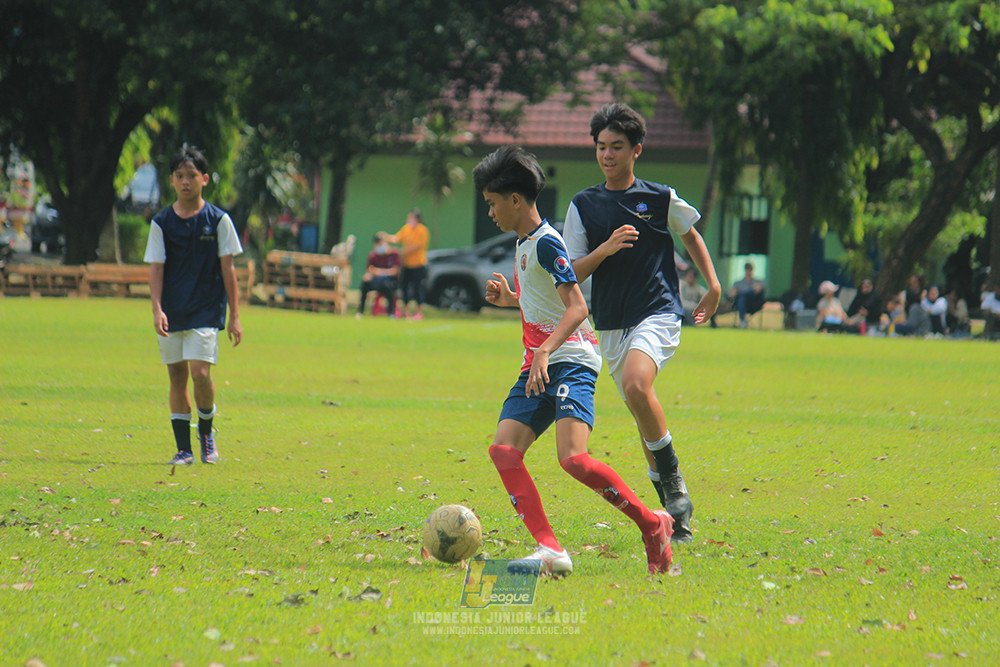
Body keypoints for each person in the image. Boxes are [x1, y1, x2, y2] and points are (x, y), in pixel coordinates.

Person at [473, 145, 673, 577]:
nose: (489, 213)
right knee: (504, 451)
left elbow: (577, 307)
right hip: (540, 363)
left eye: (492, 204)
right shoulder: (524, 243)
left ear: (515, 200)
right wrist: (513, 299)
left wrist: (545, 349)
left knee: (573, 459)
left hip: (571, 360)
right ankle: (549, 549)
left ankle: (653, 523)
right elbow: (544, 300)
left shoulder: (547, 243)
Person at [562, 103, 722, 543]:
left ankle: (673, 486)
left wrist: (712, 285)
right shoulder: (584, 205)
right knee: (639, 404)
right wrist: (606, 249)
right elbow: (571, 272)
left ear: (636, 151)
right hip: (611, 324)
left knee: (636, 384)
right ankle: (675, 501)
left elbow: (689, 233)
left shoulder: (659, 197)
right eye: (600, 147)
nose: (607, 154)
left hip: (658, 312)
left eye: (616, 147)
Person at [144, 146, 243, 466]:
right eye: (180, 176)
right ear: (172, 180)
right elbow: (156, 268)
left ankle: (207, 433)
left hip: (205, 309)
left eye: (192, 176)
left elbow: (229, 270)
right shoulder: (161, 222)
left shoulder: (219, 220)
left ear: (205, 179)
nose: (186, 182)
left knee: (200, 373)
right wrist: (157, 308)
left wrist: (235, 317)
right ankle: (184, 449)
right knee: (176, 377)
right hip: (172, 310)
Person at [388, 209, 430, 319]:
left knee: (417, 289)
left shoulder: (422, 230)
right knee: (404, 288)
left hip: (418, 265)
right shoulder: (406, 229)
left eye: (412, 218)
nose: (410, 221)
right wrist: (385, 237)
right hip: (406, 265)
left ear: (418, 219)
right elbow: (397, 238)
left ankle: (418, 312)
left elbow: (417, 246)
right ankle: (405, 312)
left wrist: (401, 251)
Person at [356, 232, 400, 318]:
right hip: (376, 281)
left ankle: (391, 313)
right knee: (365, 284)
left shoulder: (394, 254)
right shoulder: (373, 255)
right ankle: (360, 312)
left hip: (389, 281)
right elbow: (370, 270)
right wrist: (369, 275)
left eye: (381, 243)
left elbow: (395, 271)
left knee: (387, 286)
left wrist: (380, 272)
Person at [728, 262, 766, 328]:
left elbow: (759, 291)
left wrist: (757, 289)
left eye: (750, 269)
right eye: (747, 269)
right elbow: (732, 293)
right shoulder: (738, 283)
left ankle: (743, 320)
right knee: (742, 297)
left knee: (744, 295)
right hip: (741, 303)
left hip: (754, 303)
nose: (748, 271)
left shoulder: (758, 282)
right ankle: (743, 320)